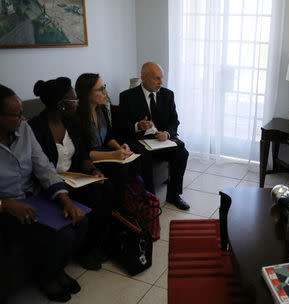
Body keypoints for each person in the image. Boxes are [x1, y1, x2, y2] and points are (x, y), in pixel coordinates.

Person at [0, 84, 87, 302]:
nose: (22, 118)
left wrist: (64, 200)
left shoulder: (24, 130)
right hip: (7, 208)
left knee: (79, 221)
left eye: (22, 112)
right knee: (59, 235)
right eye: (16, 114)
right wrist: (6, 204)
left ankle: (57, 270)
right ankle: (47, 278)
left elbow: (44, 167)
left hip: (34, 198)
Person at [29, 77, 113, 271]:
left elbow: (82, 154)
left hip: (74, 178)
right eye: (74, 100)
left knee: (106, 188)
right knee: (92, 197)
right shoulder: (36, 128)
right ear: (61, 105)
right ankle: (83, 252)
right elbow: (39, 169)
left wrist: (92, 170)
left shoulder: (71, 123)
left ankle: (95, 245)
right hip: (51, 185)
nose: (78, 103)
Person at [119, 62, 190, 210]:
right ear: (143, 78)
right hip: (141, 141)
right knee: (143, 156)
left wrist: (167, 133)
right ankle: (149, 198)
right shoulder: (127, 96)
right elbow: (121, 126)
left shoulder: (167, 94)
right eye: (156, 78)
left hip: (162, 140)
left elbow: (174, 121)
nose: (160, 82)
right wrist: (137, 126)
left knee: (182, 152)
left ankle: (174, 195)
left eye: (161, 78)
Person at [75, 73, 137, 208]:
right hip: (89, 163)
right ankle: (118, 212)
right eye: (101, 89)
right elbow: (85, 153)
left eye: (105, 87)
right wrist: (114, 155)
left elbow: (108, 136)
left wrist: (119, 148)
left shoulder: (101, 109)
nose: (106, 92)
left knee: (132, 161)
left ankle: (126, 207)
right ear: (87, 93)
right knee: (120, 169)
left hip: (103, 154)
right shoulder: (77, 117)